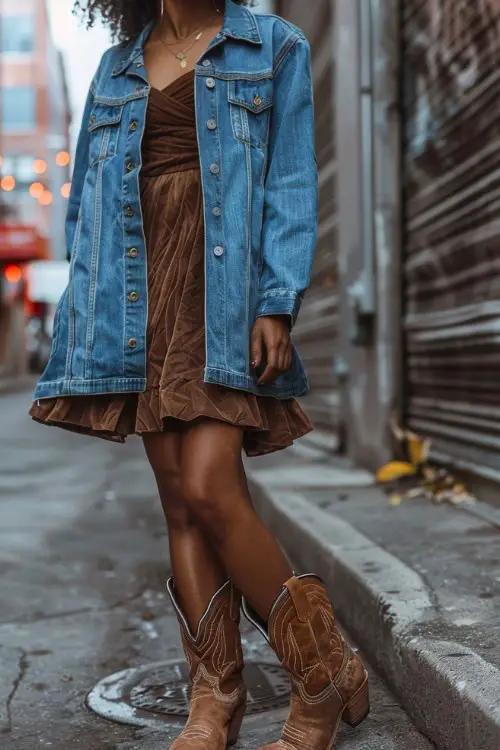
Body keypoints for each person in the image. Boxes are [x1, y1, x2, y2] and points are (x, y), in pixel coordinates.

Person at [30, 1, 369, 747]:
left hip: (223, 300)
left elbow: (288, 184)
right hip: (135, 302)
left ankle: (323, 675)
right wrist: (83, 319)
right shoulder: (114, 68)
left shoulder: (271, 46)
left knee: (213, 487)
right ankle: (214, 699)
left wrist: (276, 303)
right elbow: (86, 206)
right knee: (180, 504)